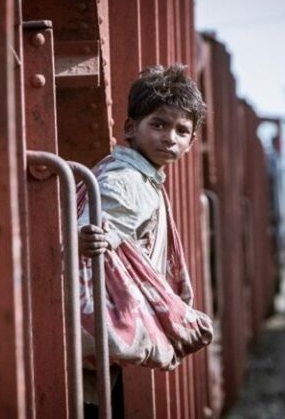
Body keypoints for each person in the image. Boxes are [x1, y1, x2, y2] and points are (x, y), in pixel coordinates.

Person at [77, 64, 213, 410]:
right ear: (130, 128)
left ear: (191, 141)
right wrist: (90, 238)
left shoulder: (135, 176)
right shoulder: (128, 181)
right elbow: (95, 229)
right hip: (101, 323)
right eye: (158, 124)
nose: (170, 138)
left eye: (182, 131)